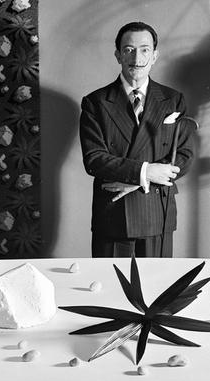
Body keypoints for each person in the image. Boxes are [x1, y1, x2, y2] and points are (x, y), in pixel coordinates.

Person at [79, 21, 195, 258]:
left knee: (158, 281)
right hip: (113, 214)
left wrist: (141, 180)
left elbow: (184, 155)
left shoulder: (173, 99)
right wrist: (145, 171)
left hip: (157, 212)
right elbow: (94, 159)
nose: (136, 58)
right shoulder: (95, 102)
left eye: (144, 50)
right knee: (111, 280)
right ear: (118, 55)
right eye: (129, 50)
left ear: (154, 56)